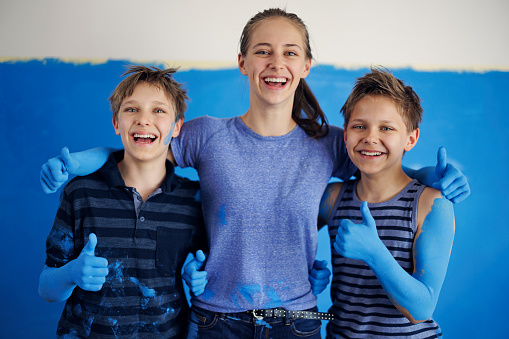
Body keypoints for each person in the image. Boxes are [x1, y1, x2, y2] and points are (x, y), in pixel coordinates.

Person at [39, 9, 469, 339]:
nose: (275, 62)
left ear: (306, 66)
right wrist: (77, 162)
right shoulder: (206, 136)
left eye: (290, 53)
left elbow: (379, 159)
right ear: (243, 62)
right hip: (214, 320)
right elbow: (139, 147)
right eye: (263, 51)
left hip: (299, 321)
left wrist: (428, 173)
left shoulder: (329, 141)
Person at [38, 65, 207, 338]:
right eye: (131, 109)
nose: (143, 119)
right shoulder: (80, 193)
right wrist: (71, 274)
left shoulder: (193, 200)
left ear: (176, 126)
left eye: (158, 110)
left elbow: (202, 267)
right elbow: (46, 288)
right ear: (117, 123)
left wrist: (197, 274)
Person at [318, 67, 456, 338]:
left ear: (411, 139)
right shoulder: (333, 198)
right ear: (345, 134)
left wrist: (374, 253)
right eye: (359, 126)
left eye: (386, 128)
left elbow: (422, 308)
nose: (370, 137)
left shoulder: (430, 204)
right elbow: (282, 236)